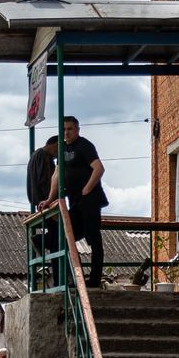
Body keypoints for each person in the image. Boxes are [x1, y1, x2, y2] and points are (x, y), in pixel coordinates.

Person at [40, 116, 107, 288]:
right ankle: (69, 278)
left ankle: (94, 280)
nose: (66, 132)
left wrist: (87, 188)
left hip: (90, 201)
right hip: (75, 202)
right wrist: (49, 198)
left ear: (77, 129)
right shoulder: (62, 149)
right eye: (63, 129)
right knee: (65, 236)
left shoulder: (84, 145)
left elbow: (99, 168)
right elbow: (56, 175)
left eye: (70, 129)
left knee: (93, 239)